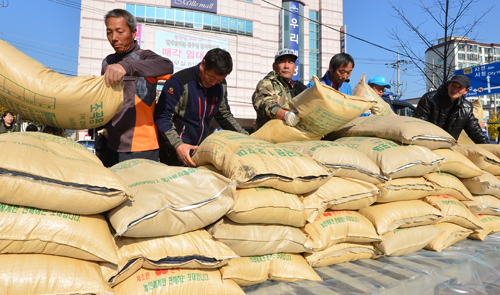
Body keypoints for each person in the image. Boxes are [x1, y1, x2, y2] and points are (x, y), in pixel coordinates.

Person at [101, 9, 174, 167]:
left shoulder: (144, 56)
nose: (114, 38)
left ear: (134, 32)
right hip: (112, 144)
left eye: (120, 32)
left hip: (142, 147)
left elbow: (167, 66)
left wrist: (126, 67)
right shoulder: (107, 62)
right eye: (109, 32)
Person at [154, 48, 248, 167]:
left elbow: (224, 115)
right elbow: (163, 117)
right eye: (212, 77)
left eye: (219, 80)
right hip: (173, 155)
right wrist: (178, 145)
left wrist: (246, 138)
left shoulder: (220, 86)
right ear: (203, 64)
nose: (214, 83)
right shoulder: (180, 82)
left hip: (199, 154)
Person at [413, 75, 488, 144]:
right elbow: (419, 123)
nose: (455, 89)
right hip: (427, 142)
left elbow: (475, 131)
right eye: (453, 86)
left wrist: (490, 148)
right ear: (448, 85)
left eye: (459, 87)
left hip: (448, 145)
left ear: (466, 90)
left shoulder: (466, 107)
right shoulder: (430, 99)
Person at [252, 49, 307, 130]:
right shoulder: (267, 83)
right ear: (274, 66)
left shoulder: (299, 87)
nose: (286, 66)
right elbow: (263, 102)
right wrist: (285, 115)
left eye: (290, 62)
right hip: (269, 138)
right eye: (282, 61)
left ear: (295, 67)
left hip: (294, 139)